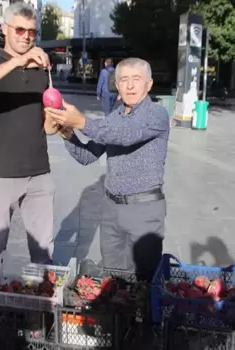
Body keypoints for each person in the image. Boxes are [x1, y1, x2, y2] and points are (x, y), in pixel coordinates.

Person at [44, 57, 169, 282]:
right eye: (124, 80)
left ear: (148, 84)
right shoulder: (114, 117)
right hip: (111, 210)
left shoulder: (157, 114)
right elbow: (87, 155)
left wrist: (81, 121)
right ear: (117, 86)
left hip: (144, 212)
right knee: (112, 279)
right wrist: (67, 132)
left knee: (143, 282)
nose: (130, 85)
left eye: (136, 79)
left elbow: (126, 135)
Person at [0, 2, 60, 273]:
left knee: (44, 256)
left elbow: (47, 127)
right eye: (20, 30)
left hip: (39, 174)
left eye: (32, 32)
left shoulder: (42, 70)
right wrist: (17, 62)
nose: (26, 37)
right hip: (0, 173)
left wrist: (58, 118)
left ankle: (43, 311)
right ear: (5, 29)